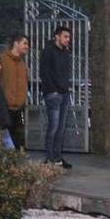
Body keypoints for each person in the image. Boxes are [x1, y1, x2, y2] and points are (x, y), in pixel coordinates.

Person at [41, 26, 73, 168]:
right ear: (57, 36)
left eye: (69, 37)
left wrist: (66, 88)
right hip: (53, 94)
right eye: (65, 36)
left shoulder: (65, 52)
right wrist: (52, 90)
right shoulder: (48, 51)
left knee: (61, 128)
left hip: (64, 93)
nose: (68, 39)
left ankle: (57, 158)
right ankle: (49, 158)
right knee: (53, 126)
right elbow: (44, 73)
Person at [0, 34, 29, 150]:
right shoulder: (2, 60)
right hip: (4, 107)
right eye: (25, 43)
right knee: (4, 139)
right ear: (16, 43)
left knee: (17, 139)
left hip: (18, 107)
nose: (27, 46)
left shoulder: (22, 63)